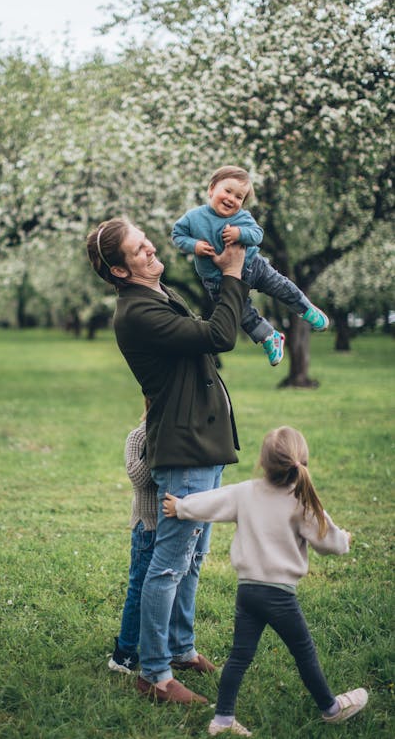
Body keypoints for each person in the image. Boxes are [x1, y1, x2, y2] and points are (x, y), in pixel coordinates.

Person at [87, 216, 249, 704]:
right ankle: (154, 674)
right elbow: (219, 335)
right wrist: (235, 274)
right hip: (184, 450)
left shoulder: (156, 296)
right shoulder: (136, 312)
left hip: (203, 443)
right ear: (120, 271)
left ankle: (180, 649)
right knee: (169, 564)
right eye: (138, 249)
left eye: (145, 240)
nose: (151, 248)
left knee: (193, 558)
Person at [163, 426, 368, 736]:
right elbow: (329, 543)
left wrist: (180, 507)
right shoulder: (302, 500)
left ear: (262, 462)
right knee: (304, 652)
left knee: (239, 656)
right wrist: (346, 541)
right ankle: (331, 708)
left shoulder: (246, 492)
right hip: (279, 596)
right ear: (302, 464)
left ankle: (222, 719)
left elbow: (211, 502)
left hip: (248, 592)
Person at [172, 165, 329, 366]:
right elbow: (177, 235)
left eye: (239, 197)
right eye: (227, 191)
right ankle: (269, 337)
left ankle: (305, 308)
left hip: (253, 266)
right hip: (217, 280)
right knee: (242, 315)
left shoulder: (242, 218)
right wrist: (194, 245)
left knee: (280, 286)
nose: (231, 199)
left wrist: (240, 234)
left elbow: (257, 235)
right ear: (211, 189)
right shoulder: (194, 217)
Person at [108, 398, 157, 675]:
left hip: (173, 524)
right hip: (147, 525)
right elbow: (138, 478)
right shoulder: (139, 435)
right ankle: (125, 653)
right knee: (139, 589)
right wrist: (156, 441)